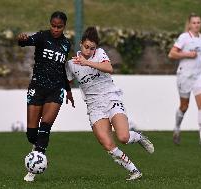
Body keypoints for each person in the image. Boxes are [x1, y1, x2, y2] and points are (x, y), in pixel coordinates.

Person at [65, 27, 154, 181]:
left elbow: (109, 68)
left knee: (123, 137)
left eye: (92, 48)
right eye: (86, 47)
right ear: (80, 44)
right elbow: (66, 82)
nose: (89, 50)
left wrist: (87, 63)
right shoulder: (72, 64)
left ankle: (138, 137)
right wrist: (68, 93)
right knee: (107, 144)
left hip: (111, 99)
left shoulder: (99, 54)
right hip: (94, 106)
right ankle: (134, 171)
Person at [17, 11, 75, 182]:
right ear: (50, 24)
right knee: (32, 134)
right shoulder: (42, 37)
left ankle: (34, 167)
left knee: (46, 126)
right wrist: (22, 39)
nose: (56, 29)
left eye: (59, 27)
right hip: (37, 88)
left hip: (55, 90)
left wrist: (68, 91)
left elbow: (62, 69)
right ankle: (38, 148)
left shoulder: (66, 44)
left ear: (64, 26)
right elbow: (26, 41)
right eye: (53, 26)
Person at [168, 13, 201, 145]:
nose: (196, 25)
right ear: (189, 24)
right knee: (184, 106)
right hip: (184, 76)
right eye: (194, 23)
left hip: (199, 76)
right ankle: (177, 128)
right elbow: (172, 54)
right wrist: (188, 54)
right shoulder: (184, 38)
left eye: (198, 22)